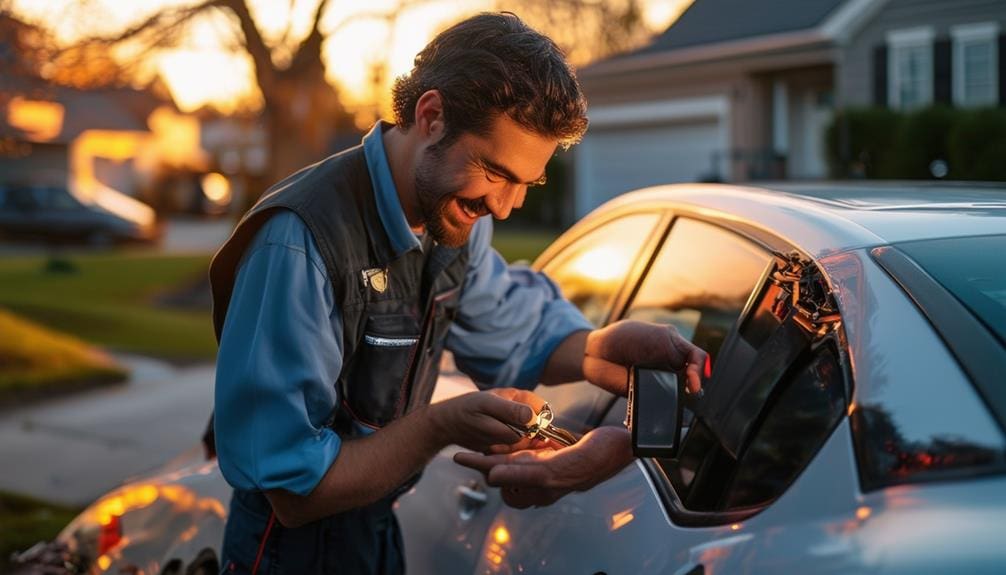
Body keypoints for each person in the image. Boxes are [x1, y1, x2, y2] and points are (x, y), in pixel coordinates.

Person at [210, 12, 708, 575]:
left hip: (375, 537)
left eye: (527, 183)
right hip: (283, 556)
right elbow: (293, 492)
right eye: (496, 172)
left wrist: (599, 351)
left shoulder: (453, 214)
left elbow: (514, 327)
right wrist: (442, 425)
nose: (504, 205)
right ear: (431, 115)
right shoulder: (298, 246)